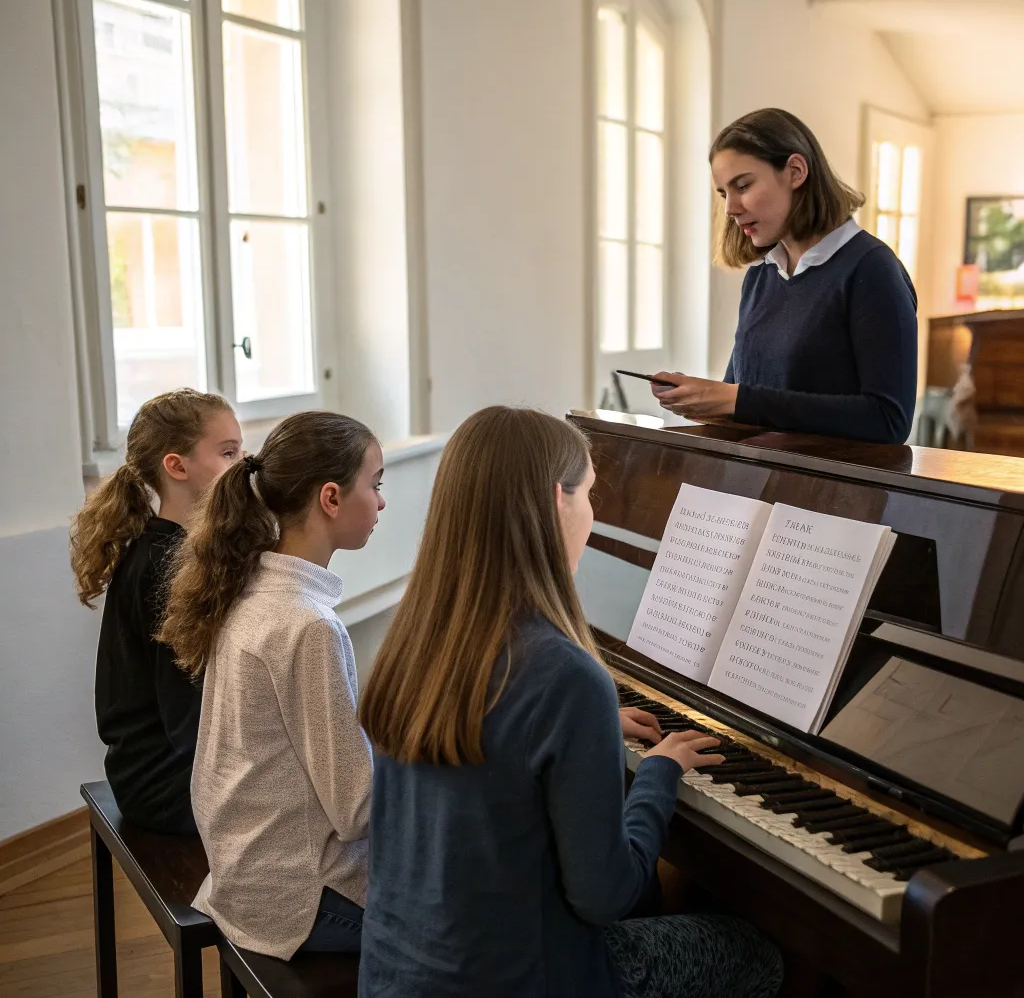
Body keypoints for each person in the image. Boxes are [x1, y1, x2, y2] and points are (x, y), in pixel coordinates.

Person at [357, 405, 783, 998]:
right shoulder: (565, 674)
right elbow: (606, 896)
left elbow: (497, 739)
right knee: (756, 954)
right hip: (518, 982)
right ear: (556, 501)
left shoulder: (415, 638)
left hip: (396, 975)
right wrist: (658, 774)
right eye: (588, 492)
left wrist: (591, 730)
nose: (593, 511)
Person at [158, 411, 384, 958]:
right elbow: (358, 813)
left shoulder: (250, 585)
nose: (380, 502)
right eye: (374, 485)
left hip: (243, 871)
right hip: (300, 899)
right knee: (480, 917)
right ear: (330, 498)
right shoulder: (308, 625)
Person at [652, 107, 917, 445]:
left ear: (795, 171)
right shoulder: (760, 277)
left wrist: (735, 400)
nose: (731, 208)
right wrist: (703, 401)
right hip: (759, 487)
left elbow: (888, 419)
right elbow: (748, 402)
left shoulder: (872, 269)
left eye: (743, 185)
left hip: (833, 494)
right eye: (724, 194)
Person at [70, 388, 241, 834]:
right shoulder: (165, 565)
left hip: (163, 770)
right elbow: (187, 724)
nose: (243, 466)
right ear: (176, 465)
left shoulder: (176, 549)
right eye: (228, 453)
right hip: (163, 784)